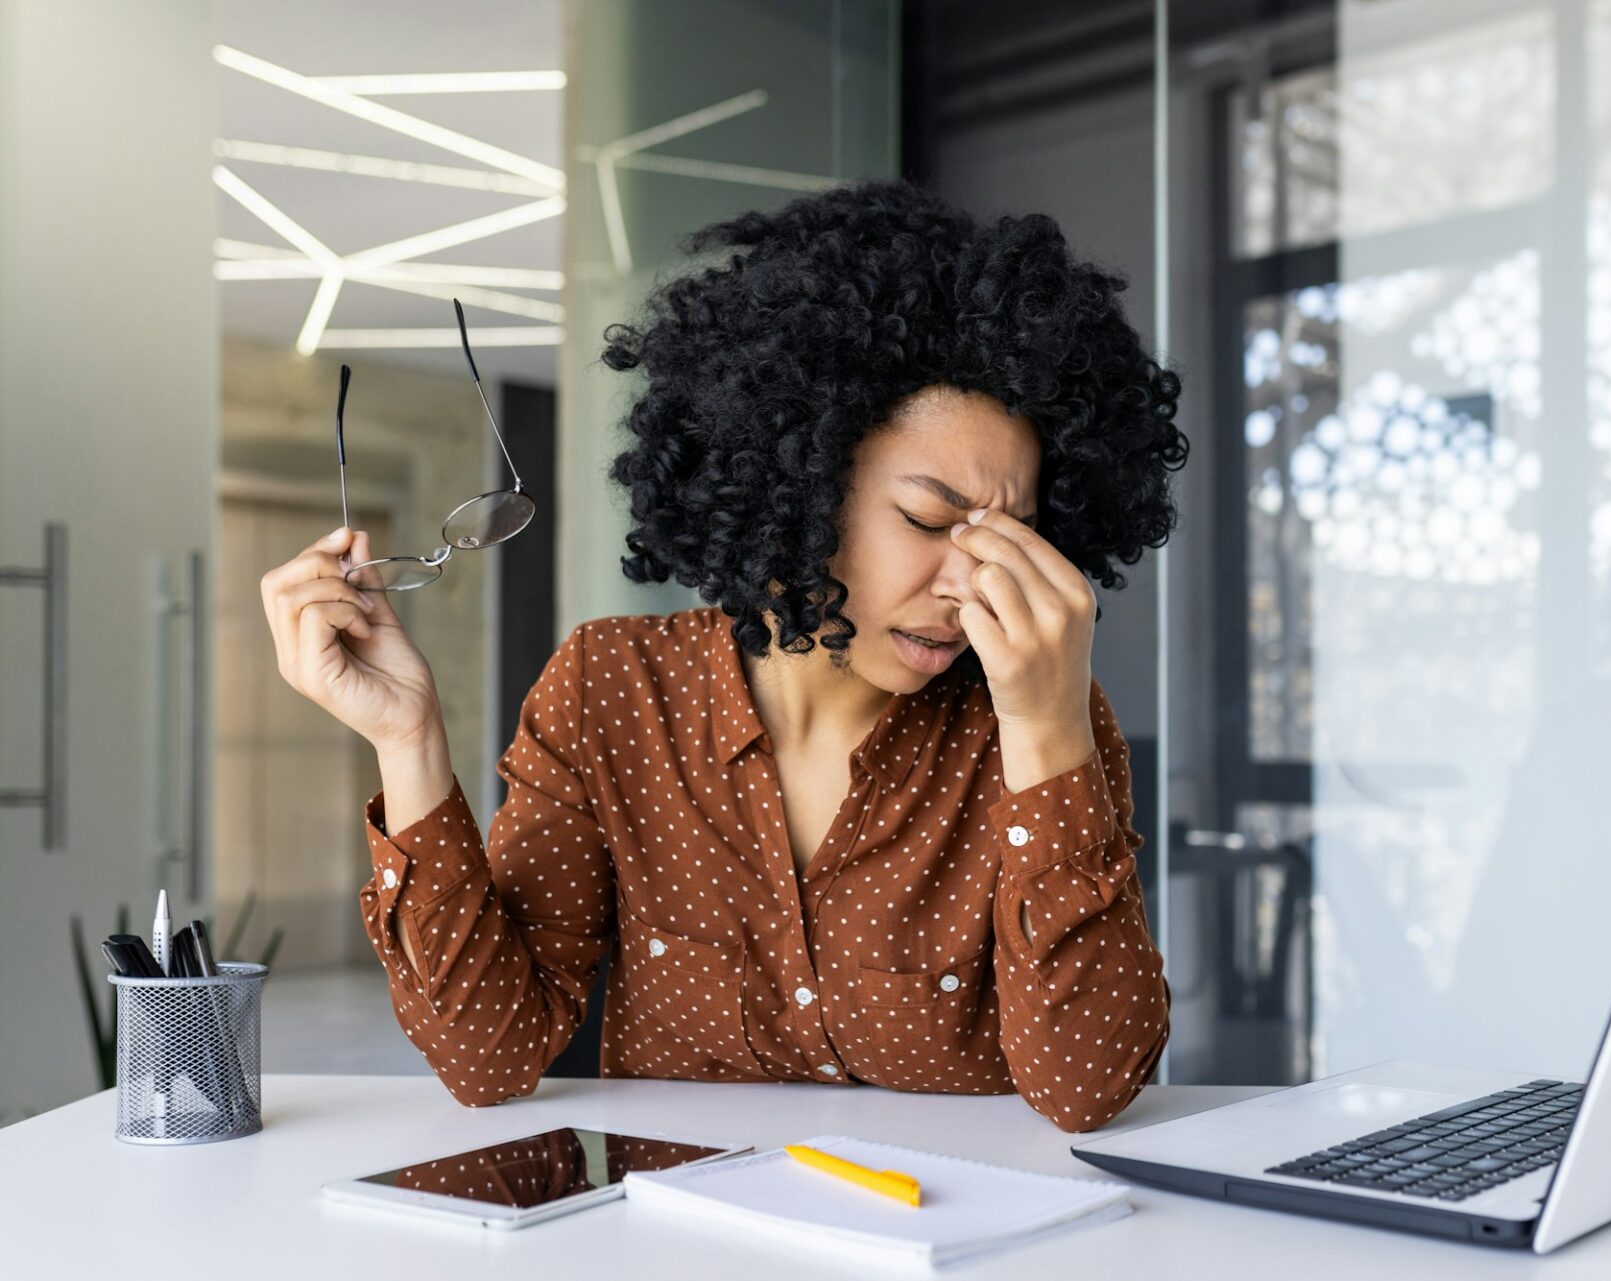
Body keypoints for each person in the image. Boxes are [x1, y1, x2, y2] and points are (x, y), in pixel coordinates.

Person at [259, 177, 1188, 1132]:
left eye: (1013, 539)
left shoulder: (1041, 726)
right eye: (927, 519)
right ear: (800, 480)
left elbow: (1090, 1089)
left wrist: (1044, 729)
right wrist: (406, 739)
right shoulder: (612, 693)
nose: (972, 583)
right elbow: (489, 1057)